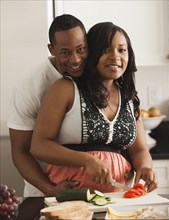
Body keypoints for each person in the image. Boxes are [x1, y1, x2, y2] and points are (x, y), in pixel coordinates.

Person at [31, 22, 157, 193]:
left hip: (119, 198)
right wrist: (87, 160)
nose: (115, 56)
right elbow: (39, 145)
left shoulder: (129, 98)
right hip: (72, 194)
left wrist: (145, 167)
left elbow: (139, 149)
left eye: (121, 50)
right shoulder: (65, 89)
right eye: (106, 50)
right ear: (91, 53)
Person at [7, 14, 88, 197]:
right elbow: (20, 151)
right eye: (65, 52)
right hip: (44, 192)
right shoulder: (28, 89)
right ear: (52, 49)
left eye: (81, 49)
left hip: (90, 190)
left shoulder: (93, 73)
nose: (75, 60)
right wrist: (50, 189)